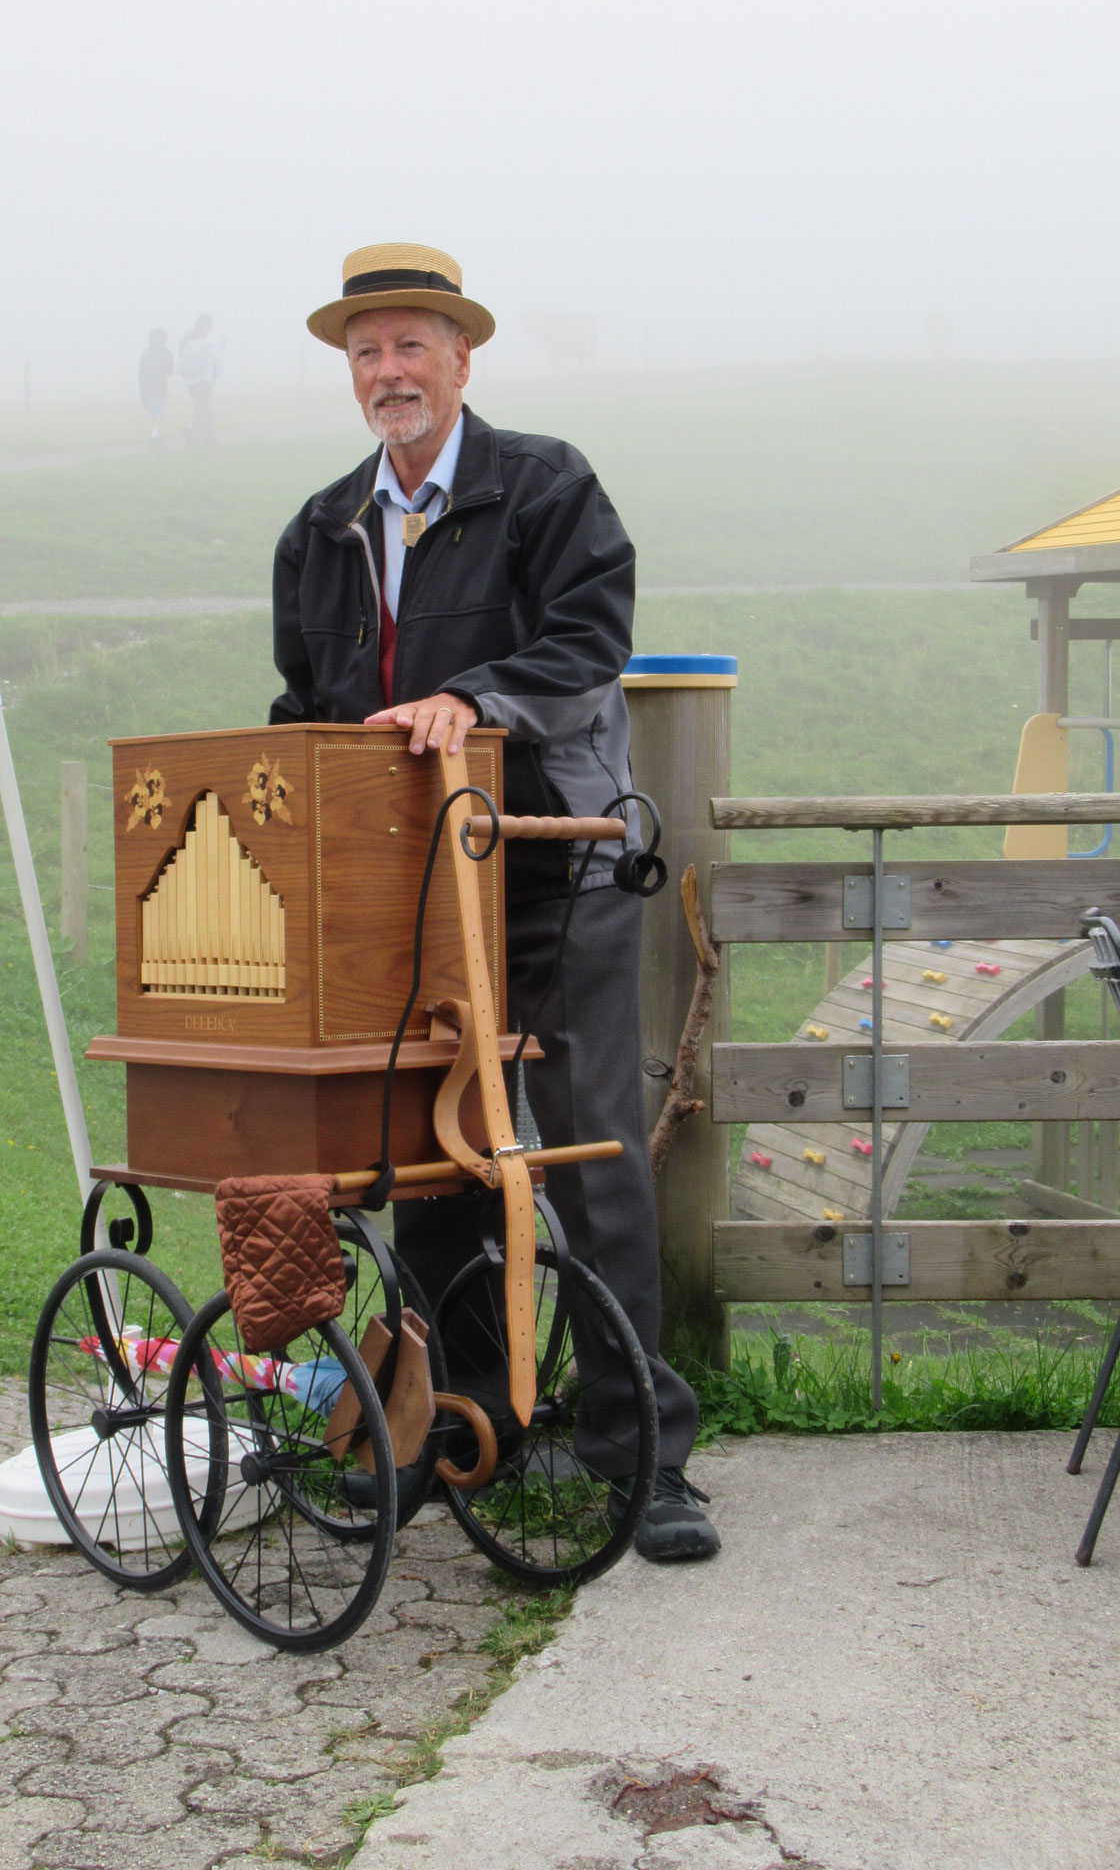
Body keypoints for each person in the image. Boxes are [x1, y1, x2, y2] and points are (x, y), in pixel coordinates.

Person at [268, 243, 718, 1563]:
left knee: (589, 1162)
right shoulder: (323, 526)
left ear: (463, 358)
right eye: (367, 352)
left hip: (550, 862)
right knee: (432, 1171)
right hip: (406, 892)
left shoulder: (545, 485)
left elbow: (590, 645)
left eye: (412, 345)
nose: (389, 372)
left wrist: (479, 702)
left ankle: (646, 1461)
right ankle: (458, 1432)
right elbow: (309, 705)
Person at [177, 313, 222, 445]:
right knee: (204, 409)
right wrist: (215, 376)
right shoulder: (207, 342)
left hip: (190, 381)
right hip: (203, 380)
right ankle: (193, 435)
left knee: (204, 408)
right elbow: (215, 362)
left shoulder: (186, 340)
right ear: (205, 326)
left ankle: (210, 438)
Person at [139, 328, 173, 445]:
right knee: (159, 414)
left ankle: (155, 436)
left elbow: (141, 375)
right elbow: (170, 370)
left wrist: (143, 395)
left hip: (147, 390)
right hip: (160, 389)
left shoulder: (146, 353)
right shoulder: (164, 351)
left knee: (155, 415)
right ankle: (154, 438)